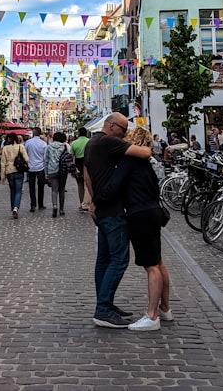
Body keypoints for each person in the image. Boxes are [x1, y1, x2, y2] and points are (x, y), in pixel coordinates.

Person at [94, 126, 172, 331]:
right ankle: (164, 308)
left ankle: (152, 315)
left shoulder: (129, 161)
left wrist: (97, 200)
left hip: (140, 214)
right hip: (153, 211)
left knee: (151, 266)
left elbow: (115, 187)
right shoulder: (147, 163)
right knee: (158, 261)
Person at [84, 112, 153, 329]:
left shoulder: (91, 143)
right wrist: (148, 146)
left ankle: (105, 304)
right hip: (113, 210)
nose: (124, 135)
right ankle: (103, 308)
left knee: (104, 259)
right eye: (123, 130)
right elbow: (143, 153)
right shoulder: (108, 142)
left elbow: (86, 175)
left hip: (102, 208)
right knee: (118, 260)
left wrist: (93, 200)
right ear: (112, 126)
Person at [0, 134, 29, 219]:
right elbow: (27, 159)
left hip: (9, 172)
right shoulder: (21, 147)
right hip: (19, 171)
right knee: (18, 191)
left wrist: (2, 175)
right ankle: (15, 208)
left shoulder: (5, 148)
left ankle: (13, 207)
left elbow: (2, 162)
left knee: (12, 190)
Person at [44, 131, 70, 218]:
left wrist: (46, 172)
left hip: (52, 170)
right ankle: (61, 209)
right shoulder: (64, 146)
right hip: (62, 170)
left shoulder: (49, 147)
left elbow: (46, 160)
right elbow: (68, 157)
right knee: (61, 190)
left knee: (54, 190)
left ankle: (55, 206)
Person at [24, 128, 48, 212]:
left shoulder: (28, 142)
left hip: (31, 167)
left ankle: (33, 204)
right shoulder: (43, 144)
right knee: (41, 186)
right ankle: (40, 204)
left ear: (33, 133)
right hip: (41, 167)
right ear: (40, 134)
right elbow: (45, 157)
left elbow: (25, 154)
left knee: (31, 187)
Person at [70, 127, 91, 211]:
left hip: (78, 164)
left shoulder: (74, 143)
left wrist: (72, 169)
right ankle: (88, 203)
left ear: (78, 133)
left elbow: (71, 156)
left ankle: (81, 203)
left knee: (80, 185)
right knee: (88, 184)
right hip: (88, 163)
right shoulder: (89, 141)